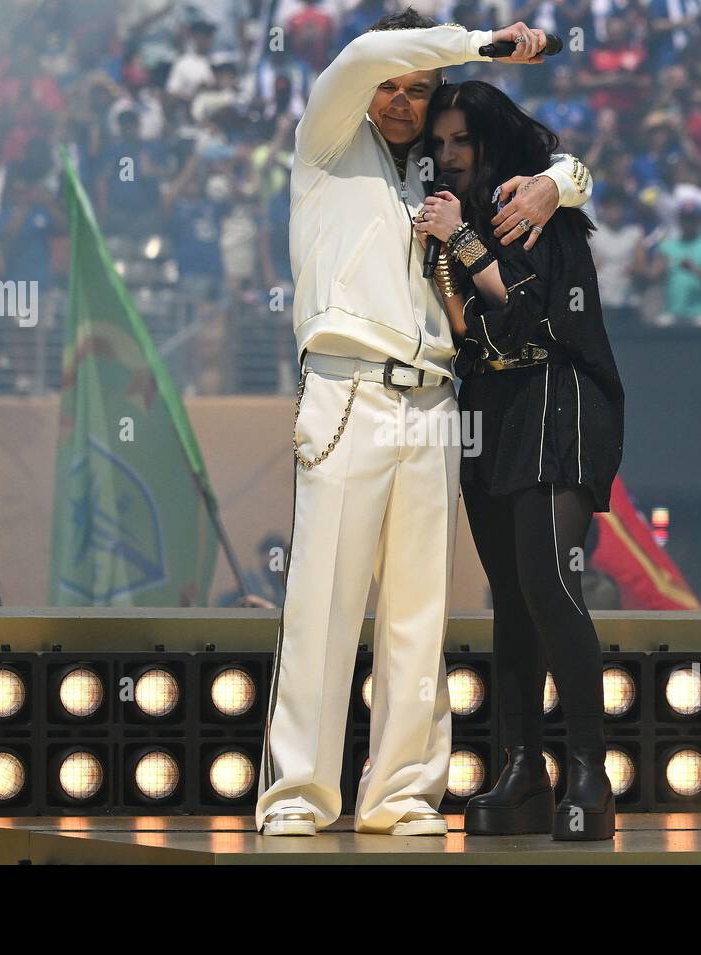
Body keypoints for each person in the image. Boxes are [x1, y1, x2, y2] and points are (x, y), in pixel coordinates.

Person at [257, 10, 594, 839]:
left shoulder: (440, 172)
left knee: (420, 612)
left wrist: (562, 182)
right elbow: (371, 51)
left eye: (419, 91)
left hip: (437, 398)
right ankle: (296, 793)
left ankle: (403, 792)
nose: (404, 101)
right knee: (323, 605)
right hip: (348, 388)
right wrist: (488, 40)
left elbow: (568, 168)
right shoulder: (329, 135)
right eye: (394, 89)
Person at [414, 80, 624, 840]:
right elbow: (472, 330)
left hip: (556, 397)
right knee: (510, 593)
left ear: (491, 140)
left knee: (547, 580)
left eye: (460, 140)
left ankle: (591, 774)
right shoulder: (455, 219)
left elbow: (531, 317)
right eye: (438, 144)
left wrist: (465, 242)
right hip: (492, 408)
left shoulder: (533, 204)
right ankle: (522, 767)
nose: (447, 156)